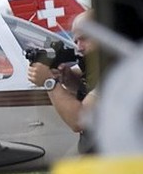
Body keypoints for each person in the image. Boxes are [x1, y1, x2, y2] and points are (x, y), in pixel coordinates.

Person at [27, 9, 99, 153]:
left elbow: (79, 120)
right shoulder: (97, 67)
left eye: (84, 38)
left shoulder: (115, 69)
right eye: (76, 41)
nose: (79, 47)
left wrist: (49, 82)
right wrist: (70, 79)